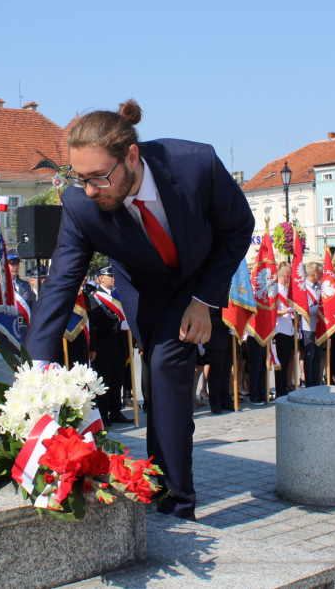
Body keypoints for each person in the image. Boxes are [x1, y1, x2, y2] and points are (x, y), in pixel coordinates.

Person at [24, 99, 254, 520]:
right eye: (81, 178)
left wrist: (204, 301)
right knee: (159, 383)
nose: (90, 190)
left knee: (167, 366)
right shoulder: (81, 206)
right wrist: (36, 367)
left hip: (198, 280)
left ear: (131, 156)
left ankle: (176, 502)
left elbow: (238, 228)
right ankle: (154, 482)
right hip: (146, 289)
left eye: (99, 177)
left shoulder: (195, 164)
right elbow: (60, 284)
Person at [86, 264, 132, 425]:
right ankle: (103, 415)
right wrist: (118, 326)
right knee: (103, 383)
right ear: (100, 278)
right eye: (109, 276)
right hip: (104, 347)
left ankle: (116, 411)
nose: (113, 278)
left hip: (120, 345)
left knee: (116, 381)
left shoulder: (118, 296)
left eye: (114, 276)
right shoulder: (94, 297)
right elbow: (97, 321)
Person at [273, 263, 296, 397]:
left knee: (286, 360)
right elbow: (273, 311)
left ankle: (285, 386)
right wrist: (287, 310)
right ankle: (279, 389)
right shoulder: (275, 289)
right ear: (286, 275)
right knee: (280, 362)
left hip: (288, 329)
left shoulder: (286, 290)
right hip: (279, 330)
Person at [298, 262, 322, 387]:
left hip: (319, 326)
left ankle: (316, 381)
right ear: (313, 274)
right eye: (319, 273)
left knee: (318, 355)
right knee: (309, 355)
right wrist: (319, 309)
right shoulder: (303, 288)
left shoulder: (320, 286)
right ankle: (309, 383)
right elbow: (303, 309)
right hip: (307, 326)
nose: (322, 275)